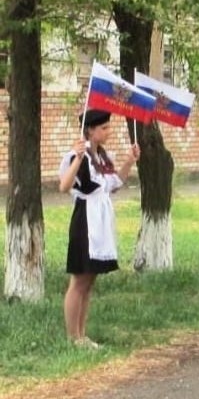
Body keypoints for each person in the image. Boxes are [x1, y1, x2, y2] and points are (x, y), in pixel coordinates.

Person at [59, 109, 140, 348]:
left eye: (108, 127)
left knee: (89, 280)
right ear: (90, 131)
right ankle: (73, 337)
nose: (108, 132)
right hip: (86, 220)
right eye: (104, 128)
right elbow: (64, 186)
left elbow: (113, 185)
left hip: (101, 219)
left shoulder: (102, 157)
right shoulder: (78, 156)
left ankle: (82, 334)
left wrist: (129, 161)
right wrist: (77, 158)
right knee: (79, 279)